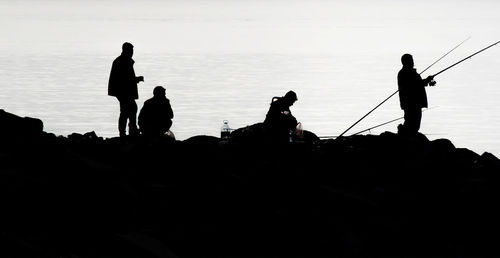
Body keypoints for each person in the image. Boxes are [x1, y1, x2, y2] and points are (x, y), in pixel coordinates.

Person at [108, 42, 144, 137]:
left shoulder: (122, 60)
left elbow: (126, 78)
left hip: (121, 90)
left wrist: (135, 79)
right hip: (123, 91)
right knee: (127, 110)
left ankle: (129, 130)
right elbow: (125, 78)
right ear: (126, 50)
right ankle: (126, 131)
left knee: (129, 109)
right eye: (131, 50)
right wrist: (137, 79)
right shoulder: (123, 61)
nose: (132, 52)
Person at [397, 54, 436, 135]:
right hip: (411, 103)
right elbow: (414, 85)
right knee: (412, 124)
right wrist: (427, 80)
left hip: (413, 103)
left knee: (413, 124)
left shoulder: (408, 72)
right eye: (411, 60)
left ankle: (404, 134)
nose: (413, 61)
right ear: (406, 61)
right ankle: (403, 135)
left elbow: (417, 84)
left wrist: (427, 81)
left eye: (412, 60)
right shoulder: (406, 73)